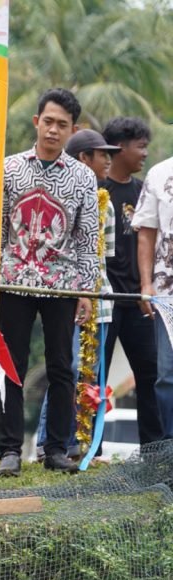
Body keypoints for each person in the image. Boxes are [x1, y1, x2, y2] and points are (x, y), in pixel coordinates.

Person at [0, 88, 99, 477]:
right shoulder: (9, 169)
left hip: (62, 284)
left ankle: (55, 448)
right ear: (36, 122)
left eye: (63, 125)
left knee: (61, 367)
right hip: (13, 280)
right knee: (12, 366)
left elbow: (87, 239)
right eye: (49, 122)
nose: (54, 131)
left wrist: (85, 291)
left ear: (74, 130)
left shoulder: (84, 178)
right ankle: (9, 449)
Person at [34, 129, 120, 456]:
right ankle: (48, 440)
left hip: (101, 301)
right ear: (84, 159)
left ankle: (82, 444)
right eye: (102, 154)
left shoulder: (106, 206)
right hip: (69, 297)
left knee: (91, 374)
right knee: (65, 367)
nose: (108, 160)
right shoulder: (63, 197)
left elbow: (105, 257)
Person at [101, 117, 162, 446]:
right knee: (95, 375)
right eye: (140, 146)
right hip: (105, 303)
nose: (145, 154)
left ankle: (153, 449)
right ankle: (88, 447)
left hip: (139, 300)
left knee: (151, 375)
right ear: (119, 148)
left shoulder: (144, 192)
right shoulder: (99, 190)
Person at [133, 150, 173, 439]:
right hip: (166, 293)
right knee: (167, 376)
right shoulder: (159, 174)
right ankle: (170, 448)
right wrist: (146, 284)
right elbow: (146, 232)